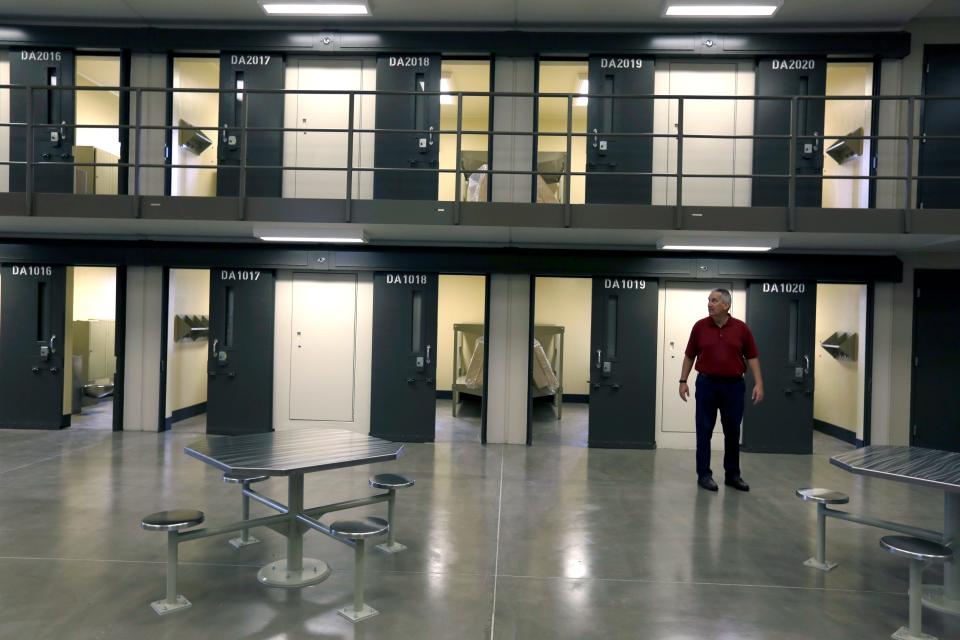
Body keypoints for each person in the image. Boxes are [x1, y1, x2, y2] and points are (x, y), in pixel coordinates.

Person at [679, 288, 763, 492]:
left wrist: (759, 383)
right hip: (707, 385)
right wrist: (683, 380)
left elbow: (752, 356)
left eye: (714, 301)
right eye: (709, 300)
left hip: (733, 386)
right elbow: (690, 355)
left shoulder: (741, 329)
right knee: (704, 431)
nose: (709, 304)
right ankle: (704, 475)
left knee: (732, 432)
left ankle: (733, 475)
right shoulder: (699, 327)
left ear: (726, 305)